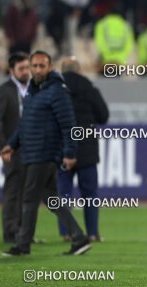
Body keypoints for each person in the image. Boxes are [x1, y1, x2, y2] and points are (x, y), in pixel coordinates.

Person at [0, 50, 91, 256]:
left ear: (50, 67)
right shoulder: (33, 92)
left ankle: (23, 245)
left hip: (44, 153)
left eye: (42, 66)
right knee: (52, 199)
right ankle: (79, 238)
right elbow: (25, 125)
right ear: (31, 68)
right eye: (35, 66)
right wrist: (12, 144)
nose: (38, 69)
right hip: (33, 152)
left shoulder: (57, 91)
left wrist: (69, 153)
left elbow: (69, 126)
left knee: (29, 199)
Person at [57, 56, 109, 242]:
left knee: (63, 194)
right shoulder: (89, 89)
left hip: (62, 149)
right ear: (79, 70)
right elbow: (103, 116)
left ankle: (67, 232)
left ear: (62, 71)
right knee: (90, 195)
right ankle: (93, 232)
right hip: (87, 151)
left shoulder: (54, 90)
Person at [0, 52, 29, 243]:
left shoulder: (34, 88)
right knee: (13, 191)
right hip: (12, 149)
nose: (26, 72)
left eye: (27, 67)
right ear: (11, 70)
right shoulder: (3, 91)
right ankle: (10, 232)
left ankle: (23, 232)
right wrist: (4, 145)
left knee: (27, 193)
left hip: (32, 148)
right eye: (21, 69)